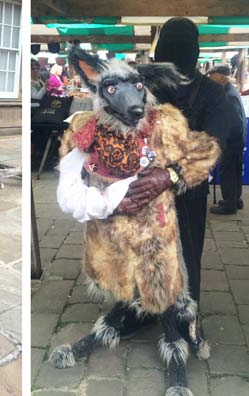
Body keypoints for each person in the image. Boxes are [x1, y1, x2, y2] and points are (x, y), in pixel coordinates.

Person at [119, 17, 233, 336]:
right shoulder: (145, 87)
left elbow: (214, 143)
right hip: (142, 188)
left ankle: (184, 314)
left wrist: (170, 174)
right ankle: (141, 307)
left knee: (185, 250)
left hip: (186, 188)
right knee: (139, 248)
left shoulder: (212, 93)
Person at [207, 64, 247, 214]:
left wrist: (222, 141)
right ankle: (235, 200)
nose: (211, 80)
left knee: (228, 172)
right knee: (234, 171)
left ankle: (229, 205)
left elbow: (232, 122)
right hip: (237, 139)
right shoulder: (230, 91)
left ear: (221, 77)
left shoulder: (227, 95)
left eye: (212, 76)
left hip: (231, 141)